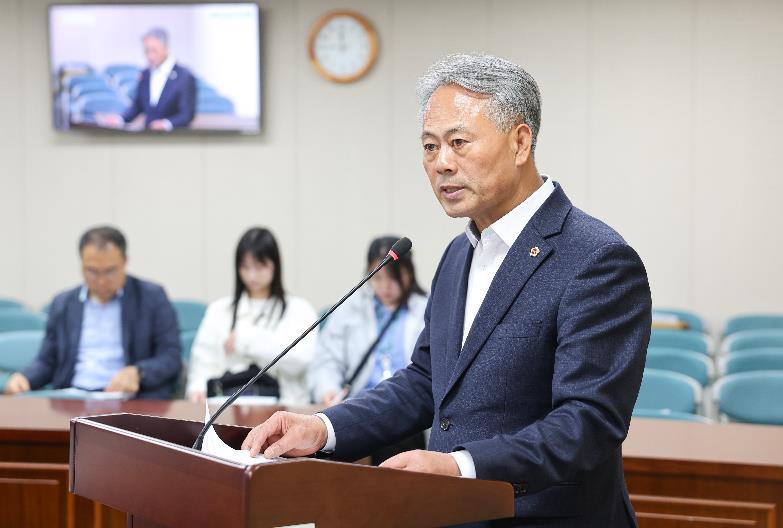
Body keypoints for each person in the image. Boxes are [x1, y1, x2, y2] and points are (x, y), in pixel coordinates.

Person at [242, 54, 652, 527]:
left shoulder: (596, 259)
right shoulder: (459, 253)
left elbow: (587, 424)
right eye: (430, 147)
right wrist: (322, 427)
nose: (441, 164)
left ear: (520, 142)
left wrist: (459, 468)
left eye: (458, 143)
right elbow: (425, 381)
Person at [4, 226, 181, 399]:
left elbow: (171, 356)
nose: (102, 281)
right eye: (92, 271)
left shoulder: (151, 298)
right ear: (81, 264)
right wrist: (25, 377)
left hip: (130, 400)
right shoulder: (63, 304)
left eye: (110, 271)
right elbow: (47, 361)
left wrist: (139, 372)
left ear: (125, 262)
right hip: (72, 398)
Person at [308, 236, 428, 463]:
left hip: (406, 409)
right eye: (378, 277)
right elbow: (327, 360)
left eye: (393, 278)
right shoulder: (349, 308)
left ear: (409, 273)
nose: (385, 286)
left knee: (399, 433)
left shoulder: (427, 308)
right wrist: (328, 389)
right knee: (325, 438)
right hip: (359, 406)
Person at [185, 228, 317, 406]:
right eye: (245, 267)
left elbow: (301, 360)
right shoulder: (219, 310)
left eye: (260, 267)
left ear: (275, 265)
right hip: (226, 406)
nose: (252, 275)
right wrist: (197, 388)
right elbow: (202, 362)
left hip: (285, 406)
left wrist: (247, 341)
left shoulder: (299, 309)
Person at [99, 28, 196, 131]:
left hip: (174, 137)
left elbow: (186, 114)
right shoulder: (145, 74)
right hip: (148, 136)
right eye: (146, 51)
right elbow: (138, 106)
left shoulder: (184, 76)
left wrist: (166, 124)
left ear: (166, 48)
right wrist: (120, 119)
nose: (150, 56)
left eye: (154, 50)